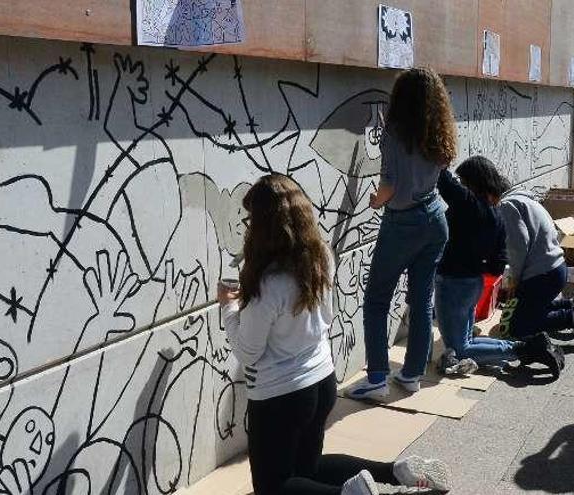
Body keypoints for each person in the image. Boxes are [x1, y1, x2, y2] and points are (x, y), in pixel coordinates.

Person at [221, 174, 453, 494]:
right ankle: (395, 471)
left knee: (275, 486)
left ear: (264, 225)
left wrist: (229, 309)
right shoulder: (321, 259)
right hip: (320, 382)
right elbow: (327, 317)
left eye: (251, 219)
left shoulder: (268, 284)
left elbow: (248, 351)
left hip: (280, 397)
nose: (248, 227)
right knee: (308, 468)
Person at [348, 68, 455, 400]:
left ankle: (377, 378)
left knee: (377, 299)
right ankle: (411, 375)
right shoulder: (439, 130)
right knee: (421, 301)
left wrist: (375, 201)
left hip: (403, 223)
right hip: (436, 217)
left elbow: (390, 184)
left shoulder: (395, 131)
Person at [434, 156, 535, 374]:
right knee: (466, 339)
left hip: (454, 282)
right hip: (473, 283)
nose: (460, 183)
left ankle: (523, 350)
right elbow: (498, 263)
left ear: (473, 181)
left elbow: (443, 180)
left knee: (459, 349)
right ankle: (521, 347)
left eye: (463, 180)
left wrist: (436, 152)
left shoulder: (469, 203)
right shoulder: (495, 214)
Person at [495, 184, 574, 377]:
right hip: (556, 268)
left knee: (516, 325)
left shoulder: (507, 206)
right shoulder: (526, 199)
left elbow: (518, 247)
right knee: (532, 308)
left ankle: (573, 317)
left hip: (541, 275)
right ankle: (573, 305)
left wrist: (513, 280)